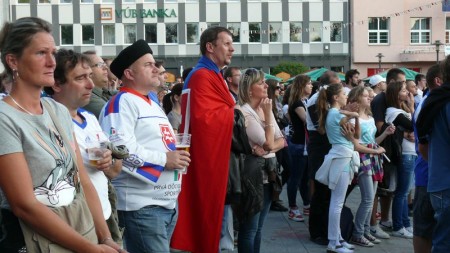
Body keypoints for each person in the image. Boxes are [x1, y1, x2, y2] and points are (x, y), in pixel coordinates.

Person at [0, 17, 122, 253]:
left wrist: (105, 239)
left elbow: (83, 181)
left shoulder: (58, 111)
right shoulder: (5, 118)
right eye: (41, 53)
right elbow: (24, 204)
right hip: (33, 241)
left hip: (79, 230)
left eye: (53, 53)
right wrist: (90, 248)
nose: (51, 62)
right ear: (13, 61)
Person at [100, 39, 191, 253]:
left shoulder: (151, 103)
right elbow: (119, 148)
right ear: (129, 74)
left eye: (155, 64)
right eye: (148, 64)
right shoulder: (121, 102)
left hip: (164, 205)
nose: (157, 69)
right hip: (141, 207)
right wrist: (165, 159)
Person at [45, 49, 124, 244]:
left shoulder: (89, 118)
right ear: (56, 84)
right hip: (75, 221)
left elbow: (114, 172)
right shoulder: (47, 120)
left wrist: (110, 158)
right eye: (80, 78)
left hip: (104, 214)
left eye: (90, 76)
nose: (90, 84)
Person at [171, 26, 235, 253]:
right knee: (205, 212)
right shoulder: (201, 75)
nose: (232, 49)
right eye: (226, 44)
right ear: (210, 47)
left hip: (216, 155)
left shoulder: (213, 74)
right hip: (205, 158)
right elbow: (204, 120)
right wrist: (234, 112)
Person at [237, 68, 285, 253]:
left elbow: (281, 141)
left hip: (269, 175)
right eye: (261, 83)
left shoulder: (265, 109)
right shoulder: (245, 112)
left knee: (258, 228)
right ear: (249, 89)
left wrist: (269, 145)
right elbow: (269, 143)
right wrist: (269, 144)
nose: (266, 85)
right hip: (253, 176)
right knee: (249, 229)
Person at [347, 86, 394, 247]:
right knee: (368, 199)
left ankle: (365, 231)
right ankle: (358, 233)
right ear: (357, 98)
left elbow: (374, 141)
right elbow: (356, 146)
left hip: (372, 157)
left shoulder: (369, 116)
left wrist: (385, 133)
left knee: (370, 197)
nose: (370, 98)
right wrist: (377, 149)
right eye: (366, 96)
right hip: (364, 158)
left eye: (370, 96)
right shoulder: (352, 119)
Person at [315, 83, 359, 253]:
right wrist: (352, 113)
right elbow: (343, 119)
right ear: (335, 97)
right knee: (337, 202)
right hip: (341, 158)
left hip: (343, 157)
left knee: (338, 202)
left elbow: (346, 119)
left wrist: (350, 112)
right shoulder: (334, 113)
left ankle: (338, 238)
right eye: (343, 94)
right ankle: (334, 242)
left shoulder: (334, 112)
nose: (346, 96)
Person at [417, 55, 450, 253]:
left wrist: (440, 164)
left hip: (439, 183)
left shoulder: (435, 102)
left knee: (442, 243)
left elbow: (423, 147)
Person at [369, 68, 406, 238]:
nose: (404, 86)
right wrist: (396, 129)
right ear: (392, 83)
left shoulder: (395, 100)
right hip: (383, 149)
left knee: (389, 188)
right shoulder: (380, 100)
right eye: (402, 83)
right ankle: (373, 225)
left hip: (393, 149)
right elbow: (379, 125)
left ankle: (385, 219)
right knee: (378, 189)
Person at [412, 64, 441, 253]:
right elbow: (424, 146)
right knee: (424, 228)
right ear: (438, 81)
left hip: (431, 173)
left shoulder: (433, 102)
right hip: (429, 175)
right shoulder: (430, 104)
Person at [385, 80, 415, 239]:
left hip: (409, 152)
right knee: (401, 192)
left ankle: (405, 224)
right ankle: (398, 225)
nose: (407, 93)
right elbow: (414, 125)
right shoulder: (393, 111)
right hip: (405, 154)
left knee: (404, 191)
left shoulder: (399, 109)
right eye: (404, 90)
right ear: (396, 94)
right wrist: (411, 106)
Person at [286, 75, 313, 221]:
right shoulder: (297, 103)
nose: (311, 86)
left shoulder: (305, 101)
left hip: (305, 145)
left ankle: (307, 205)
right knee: (295, 178)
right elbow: (307, 121)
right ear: (301, 86)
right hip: (298, 145)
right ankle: (292, 207)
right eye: (308, 84)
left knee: (305, 178)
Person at [266, 78, 290, 212]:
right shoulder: (268, 103)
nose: (280, 90)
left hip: (282, 139)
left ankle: (275, 194)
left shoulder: (277, 103)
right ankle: (273, 198)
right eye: (277, 88)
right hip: (275, 140)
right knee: (275, 170)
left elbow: (284, 121)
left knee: (288, 168)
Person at [82, 51, 113, 119]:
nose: (106, 68)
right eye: (100, 65)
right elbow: (113, 116)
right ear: (88, 70)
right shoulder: (88, 96)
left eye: (104, 64)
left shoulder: (104, 92)